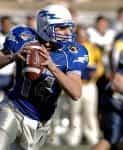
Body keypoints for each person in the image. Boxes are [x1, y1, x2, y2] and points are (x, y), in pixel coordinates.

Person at [0, 4, 88, 150]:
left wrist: (52, 67)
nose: (67, 33)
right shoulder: (24, 37)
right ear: (45, 26)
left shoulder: (73, 52)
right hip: (13, 108)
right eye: (61, 28)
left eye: (69, 27)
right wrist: (13, 57)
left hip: (40, 121)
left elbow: (76, 93)